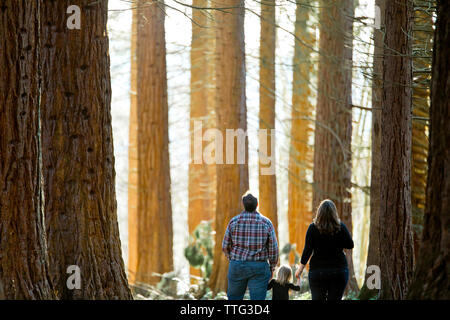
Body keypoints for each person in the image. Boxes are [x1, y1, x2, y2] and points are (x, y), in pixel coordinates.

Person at [222, 192, 279, 300]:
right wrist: (272, 267)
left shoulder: (234, 222)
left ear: (243, 205)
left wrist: (233, 258)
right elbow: (273, 249)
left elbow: (225, 246)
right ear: (257, 205)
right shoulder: (266, 223)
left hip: (237, 265)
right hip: (259, 267)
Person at [294, 199, 354, 300]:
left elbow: (307, 251)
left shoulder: (312, 228)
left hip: (318, 272)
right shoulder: (340, 227)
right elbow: (350, 245)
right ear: (334, 213)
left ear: (319, 213)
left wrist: (299, 270)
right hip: (338, 271)